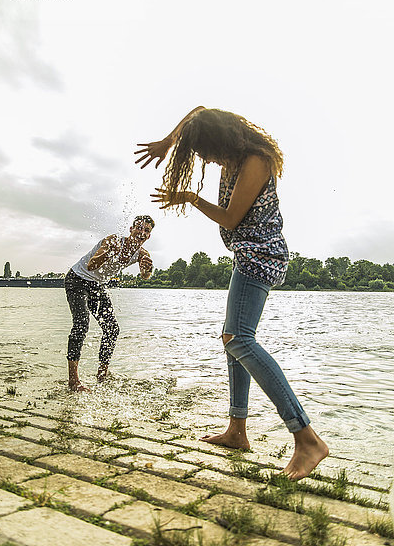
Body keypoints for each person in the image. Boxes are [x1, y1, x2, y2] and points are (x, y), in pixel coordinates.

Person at [135, 107, 328, 480]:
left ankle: (307, 439)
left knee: (238, 338)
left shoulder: (255, 161)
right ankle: (237, 431)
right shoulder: (234, 153)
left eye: (206, 151)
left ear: (222, 140)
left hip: (262, 256)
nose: (205, 159)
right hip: (247, 255)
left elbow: (230, 218)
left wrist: (190, 197)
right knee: (232, 339)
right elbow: (199, 112)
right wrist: (169, 140)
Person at [65, 215, 155, 392]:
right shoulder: (113, 240)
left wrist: (147, 269)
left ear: (149, 236)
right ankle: (73, 381)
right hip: (77, 280)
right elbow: (91, 265)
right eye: (139, 228)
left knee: (112, 328)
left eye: (146, 230)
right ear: (131, 229)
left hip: (96, 286)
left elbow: (145, 276)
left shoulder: (142, 253)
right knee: (81, 324)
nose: (141, 232)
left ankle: (102, 373)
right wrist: (109, 252)